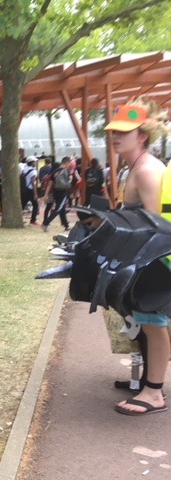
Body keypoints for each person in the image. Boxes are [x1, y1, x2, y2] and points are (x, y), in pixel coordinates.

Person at [104, 98, 170, 416]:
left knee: (153, 324)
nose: (115, 137)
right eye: (114, 132)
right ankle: (147, 381)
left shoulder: (145, 171)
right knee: (147, 323)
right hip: (148, 260)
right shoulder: (138, 167)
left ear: (141, 136)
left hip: (156, 261)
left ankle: (154, 392)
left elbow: (158, 228)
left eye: (123, 132)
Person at [42, 157, 71, 232]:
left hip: (56, 192)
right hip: (63, 192)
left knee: (62, 209)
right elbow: (69, 181)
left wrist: (46, 194)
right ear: (66, 163)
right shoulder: (66, 171)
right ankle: (46, 223)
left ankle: (66, 225)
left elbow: (50, 184)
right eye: (69, 163)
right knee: (58, 209)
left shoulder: (55, 171)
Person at [20, 156, 39, 225]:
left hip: (24, 189)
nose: (35, 163)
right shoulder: (33, 171)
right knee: (35, 205)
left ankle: (18, 218)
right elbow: (33, 182)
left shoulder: (24, 169)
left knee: (22, 205)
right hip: (30, 190)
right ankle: (33, 220)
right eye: (34, 162)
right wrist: (35, 193)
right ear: (32, 162)